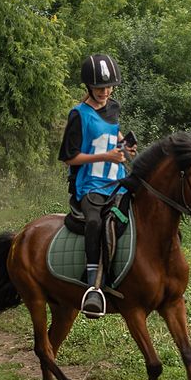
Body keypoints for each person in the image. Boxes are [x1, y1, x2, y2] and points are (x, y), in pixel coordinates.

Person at [58, 54, 137, 317]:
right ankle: (94, 286)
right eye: (100, 88)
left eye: (109, 87)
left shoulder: (113, 107)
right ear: (88, 87)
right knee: (94, 222)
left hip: (117, 178)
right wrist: (105, 156)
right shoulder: (78, 115)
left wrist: (125, 146)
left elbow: (114, 133)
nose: (105, 92)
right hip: (90, 183)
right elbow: (70, 157)